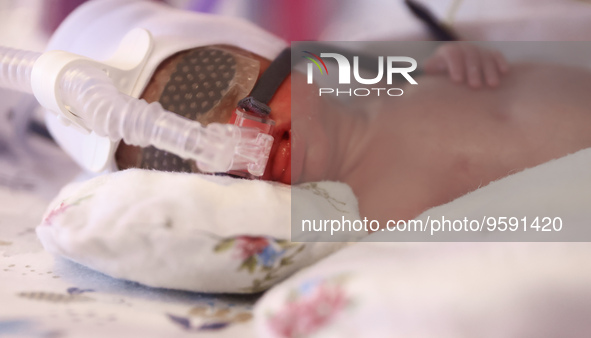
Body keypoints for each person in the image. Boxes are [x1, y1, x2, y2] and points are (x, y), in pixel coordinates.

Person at [115, 42, 591, 225]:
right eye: (186, 160)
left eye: (223, 86)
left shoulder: (377, 74)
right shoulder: (362, 215)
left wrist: (456, 57)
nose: (241, 139)